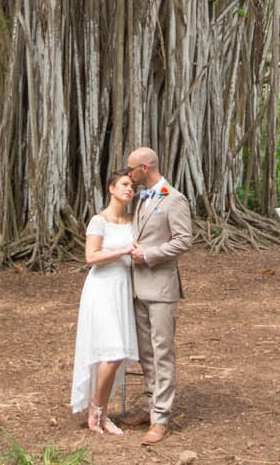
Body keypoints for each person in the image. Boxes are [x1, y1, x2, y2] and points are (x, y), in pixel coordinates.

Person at [122, 146, 193, 445]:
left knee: (162, 351)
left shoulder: (174, 199)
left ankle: (161, 417)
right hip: (138, 287)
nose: (129, 175)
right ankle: (150, 405)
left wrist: (149, 255)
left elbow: (184, 240)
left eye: (132, 169)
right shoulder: (139, 199)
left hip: (162, 288)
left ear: (146, 168)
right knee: (146, 352)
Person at [70, 169, 139, 435]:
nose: (129, 189)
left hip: (122, 289)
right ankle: (95, 412)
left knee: (117, 356)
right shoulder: (99, 221)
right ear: (111, 188)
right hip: (101, 289)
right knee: (112, 354)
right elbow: (91, 257)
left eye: (132, 186)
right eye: (124, 184)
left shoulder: (134, 220)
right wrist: (123, 251)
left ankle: (103, 413)